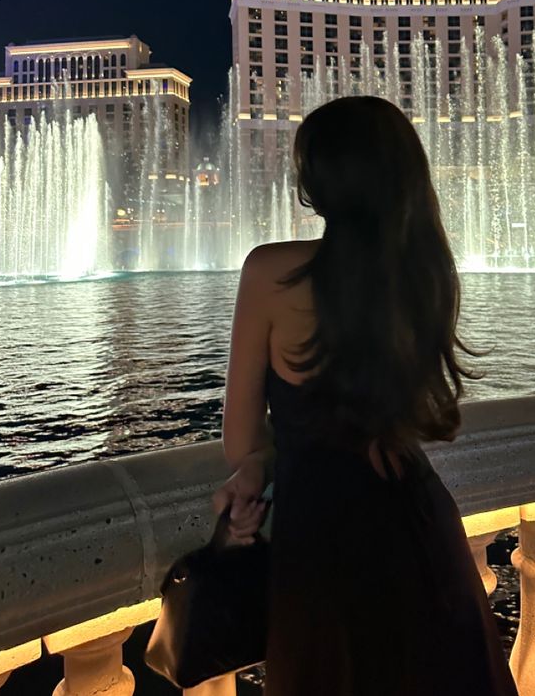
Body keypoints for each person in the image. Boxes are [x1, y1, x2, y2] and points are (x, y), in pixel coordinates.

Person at [213, 96, 517, 696]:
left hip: (323, 541)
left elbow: (241, 439)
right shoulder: (425, 276)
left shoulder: (271, 273)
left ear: (315, 181)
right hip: (421, 529)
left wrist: (258, 462)